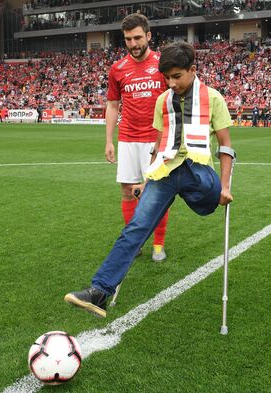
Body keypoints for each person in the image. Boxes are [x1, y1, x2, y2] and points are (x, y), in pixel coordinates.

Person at [64, 42, 234, 318]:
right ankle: (100, 292)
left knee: (198, 186)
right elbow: (159, 145)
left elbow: (225, 146)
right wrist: (147, 179)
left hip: (198, 173)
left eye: (177, 76)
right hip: (166, 171)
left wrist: (225, 186)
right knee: (136, 227)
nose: (171, 83)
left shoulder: (213, 98)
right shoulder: (162, 101)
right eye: (166, 77)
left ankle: (205, 190)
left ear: (193, 70)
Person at [104, 13, 170, 262]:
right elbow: (112, 105)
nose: (133, 44)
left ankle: (158, 244)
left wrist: (167, 139)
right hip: (129, 138)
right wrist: (109, 140)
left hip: (157, 139)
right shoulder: (117, 69)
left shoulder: (164, 64)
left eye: (138, 37)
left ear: (149, 36)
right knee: (128, 191)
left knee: (158, 193)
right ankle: (134, 243)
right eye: (128, 39)